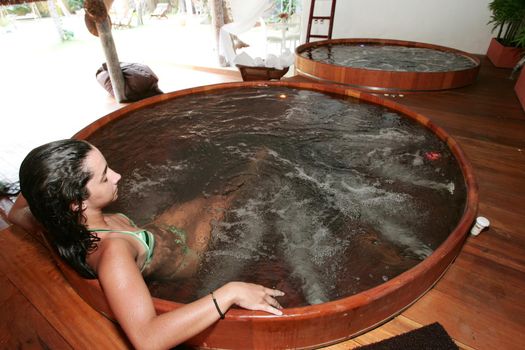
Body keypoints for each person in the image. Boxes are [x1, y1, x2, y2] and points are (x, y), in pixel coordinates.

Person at [8, 139, 284, 350]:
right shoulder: (113, 254)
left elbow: (16, 211)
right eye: (105, 176)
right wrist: (230, 293)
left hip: (156, 231)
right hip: (183, 257)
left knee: (213, 196)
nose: (117, 176)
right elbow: (148, 339)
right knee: (222, 203)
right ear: (76, 202)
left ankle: (254, 166)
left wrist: (55, 169)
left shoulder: (55, 222)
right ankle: (258, 167)